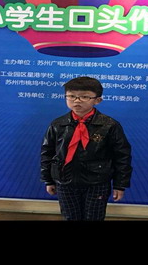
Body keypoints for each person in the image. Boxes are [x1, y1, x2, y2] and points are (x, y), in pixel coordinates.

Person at [40, 76, 132, 221]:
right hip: (65, 181)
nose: (77, 101)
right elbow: (47, 153)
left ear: (97, 100)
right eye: (71, 96)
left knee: (94, 217)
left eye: (84, 97)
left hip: (97, 182)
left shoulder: (109, 125)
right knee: (70, 217)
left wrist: (120, 185)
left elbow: (122, 156)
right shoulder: (58, 124)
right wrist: (48, 180)